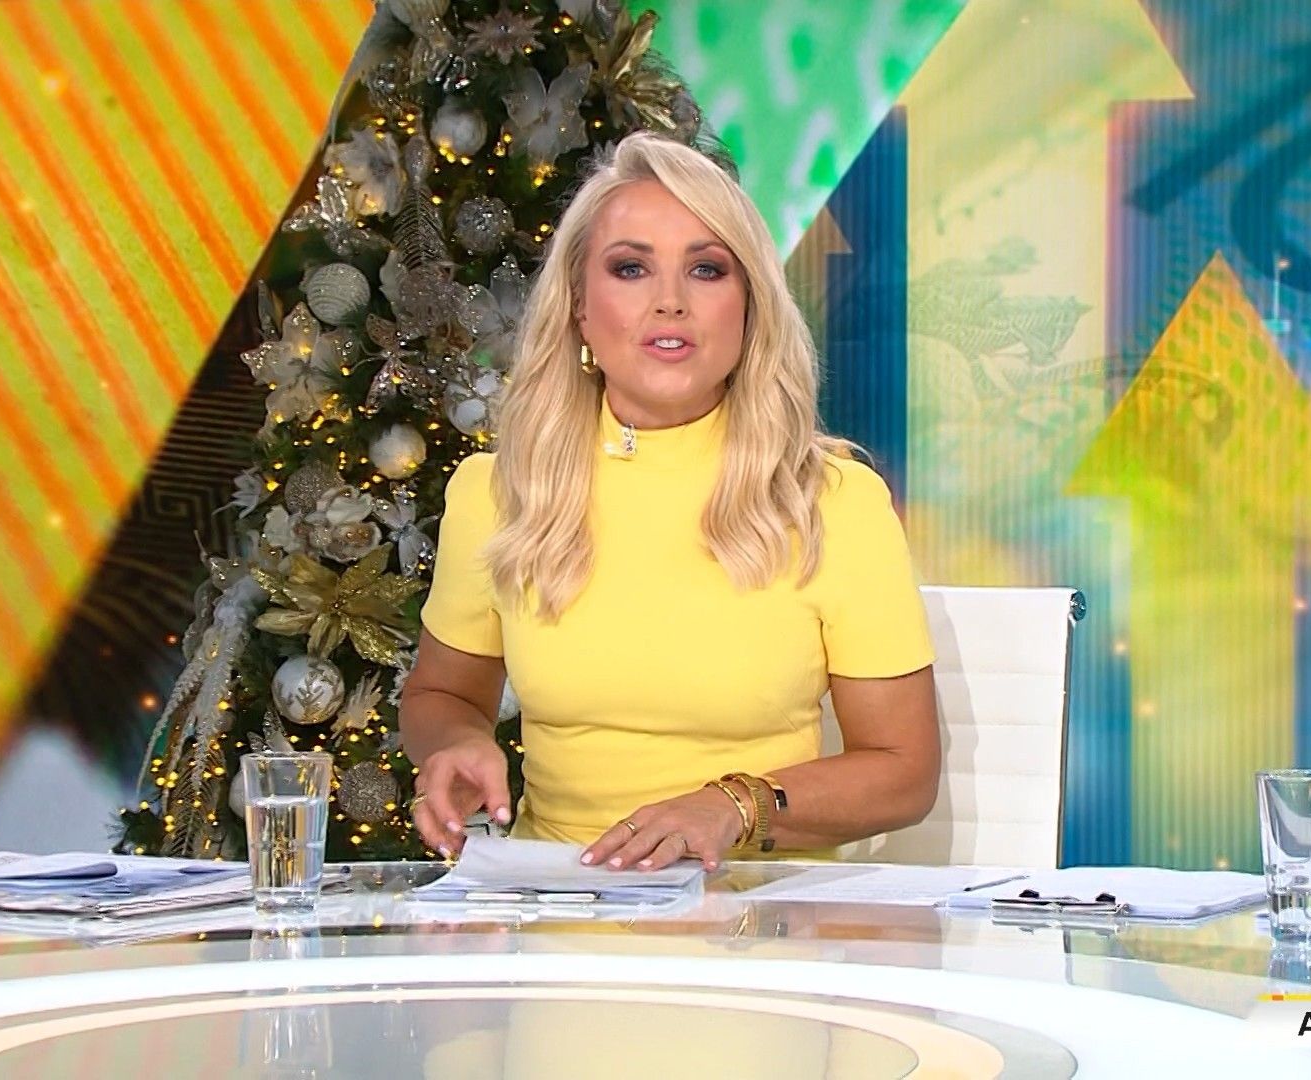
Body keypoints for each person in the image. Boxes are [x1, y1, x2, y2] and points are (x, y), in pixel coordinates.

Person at [399, 131, 938, 872]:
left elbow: (904, 771)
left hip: (755, 915)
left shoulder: (833, 503)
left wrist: (734, 807)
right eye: (631, 268)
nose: (670, 302)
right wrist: (457, 743)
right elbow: (441, 695)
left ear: (748, 307)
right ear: (579, 308)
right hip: (558, 903)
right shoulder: (500, 493)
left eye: (706, 269)